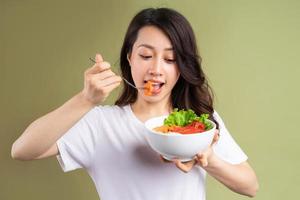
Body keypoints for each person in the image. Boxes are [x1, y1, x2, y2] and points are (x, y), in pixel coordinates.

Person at [11, 7, 258, 200]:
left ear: (182, 68)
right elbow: (22, 150)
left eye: (170, 59)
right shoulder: (100, 123)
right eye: (146, 56)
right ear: (130, 58)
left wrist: (209, 159)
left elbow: (250, 186)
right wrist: (85, 99)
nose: (156, 69)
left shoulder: (198, 122)